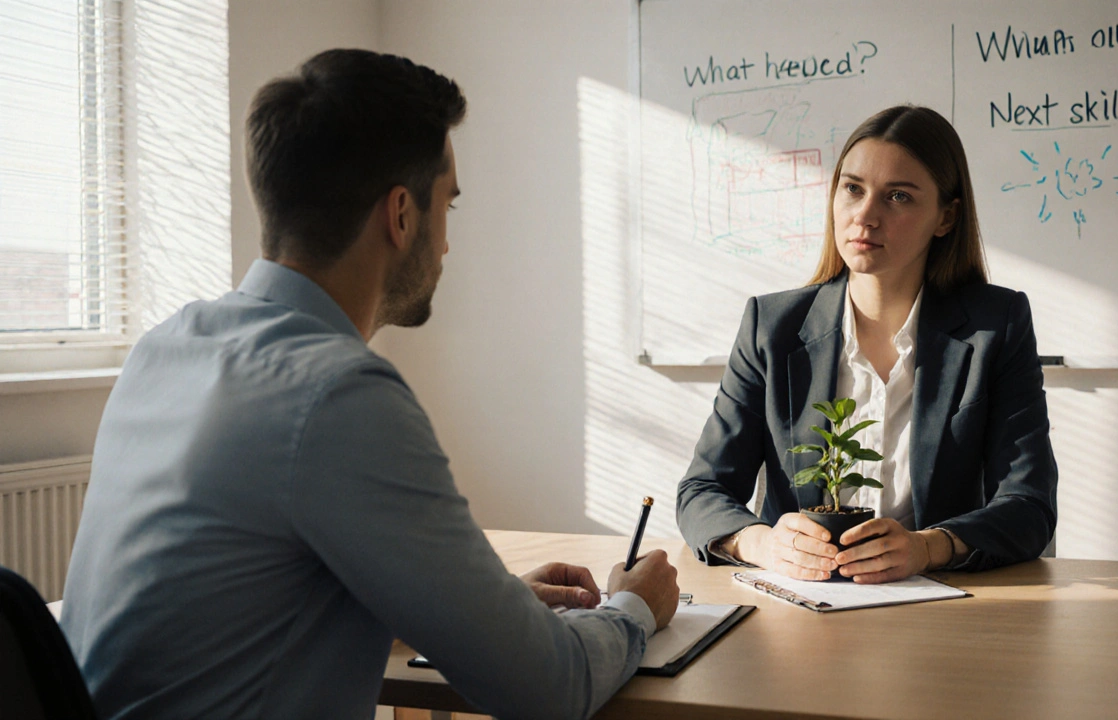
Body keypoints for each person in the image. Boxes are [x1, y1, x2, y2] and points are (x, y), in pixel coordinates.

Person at [59, 49, 679, 720]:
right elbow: (550, 693)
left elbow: (237, 604)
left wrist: (484, 611)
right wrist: (633, 609)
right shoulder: (338, 396)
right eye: (449, 206)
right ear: (402, 215)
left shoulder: (165, 349)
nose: (446, 246)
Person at [675, 105, 1057, 584]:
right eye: (852, 188)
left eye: (898, 196)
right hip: (799, 610)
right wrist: (762, 543)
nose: (865, 215)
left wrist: (928, 548)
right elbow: (702, 490)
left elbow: (1029, 506)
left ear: (946, 217)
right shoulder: (771, 327)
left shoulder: (995, 327)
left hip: (941, 610)